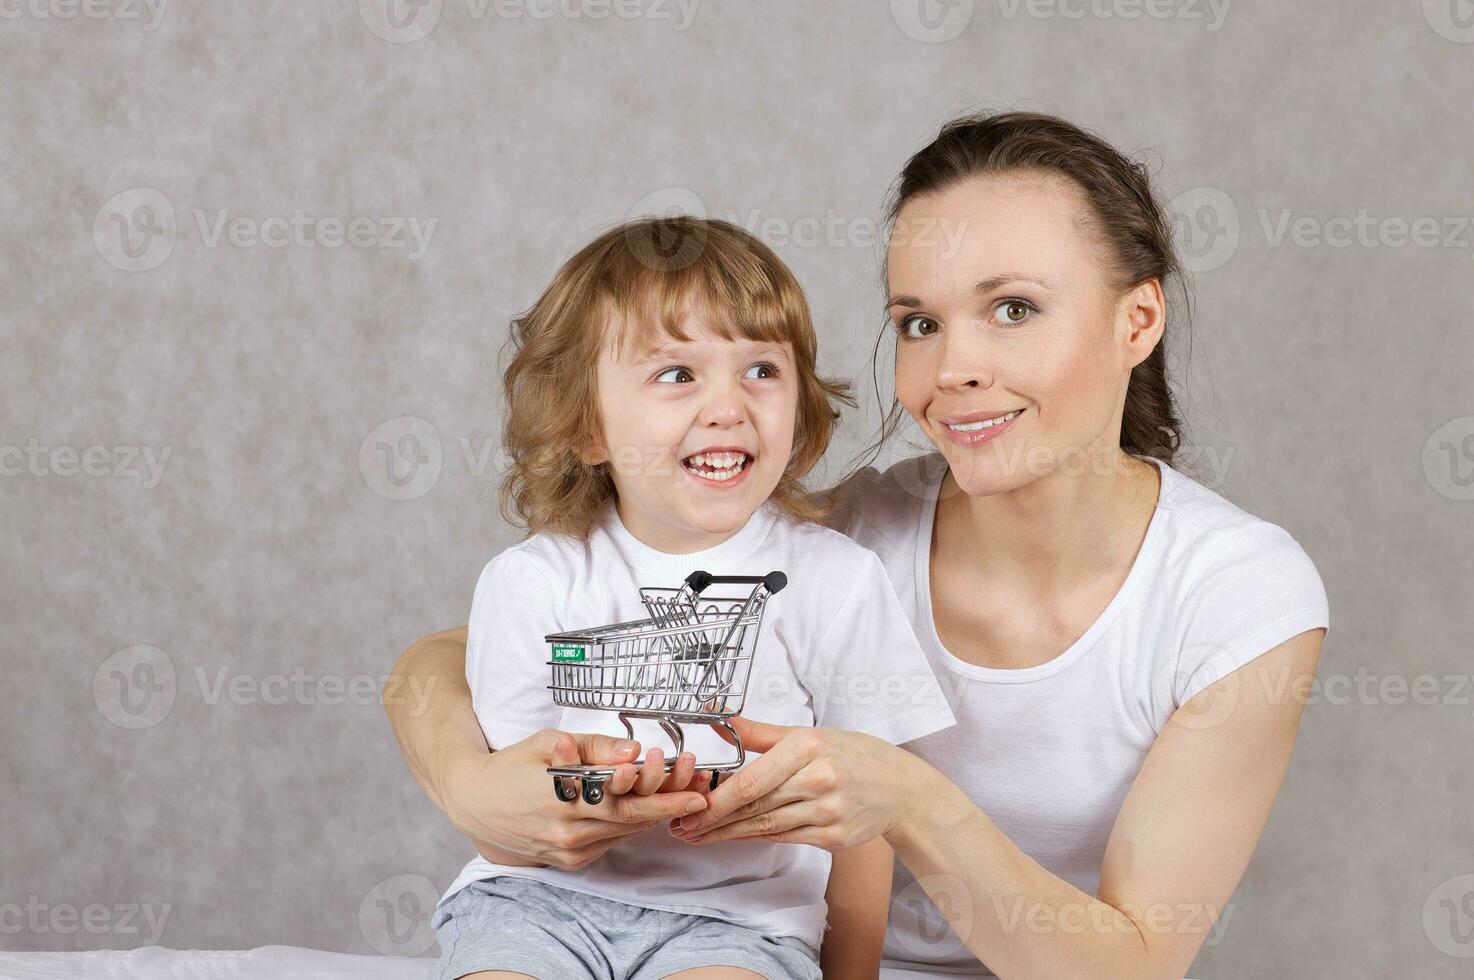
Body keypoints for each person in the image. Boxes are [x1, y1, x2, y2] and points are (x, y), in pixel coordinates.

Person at [388, 112, 1328, 979]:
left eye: (1013, 309)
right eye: (919, 323)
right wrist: (470, 784)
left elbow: (1135, 965)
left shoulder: (1235, 592)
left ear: (1139, 320)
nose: (953, 368)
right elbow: (443, 659)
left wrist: (907, 800)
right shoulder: (850, 531)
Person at [427, 215, 955, 980]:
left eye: (761, 370)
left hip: (742, 921)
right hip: (534, 899)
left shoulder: (836, 580)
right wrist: (611, 798)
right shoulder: (533, 580)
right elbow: (504, 825)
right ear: (586, 428)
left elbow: (866, 823)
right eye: (677, 374)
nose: (728, 405)